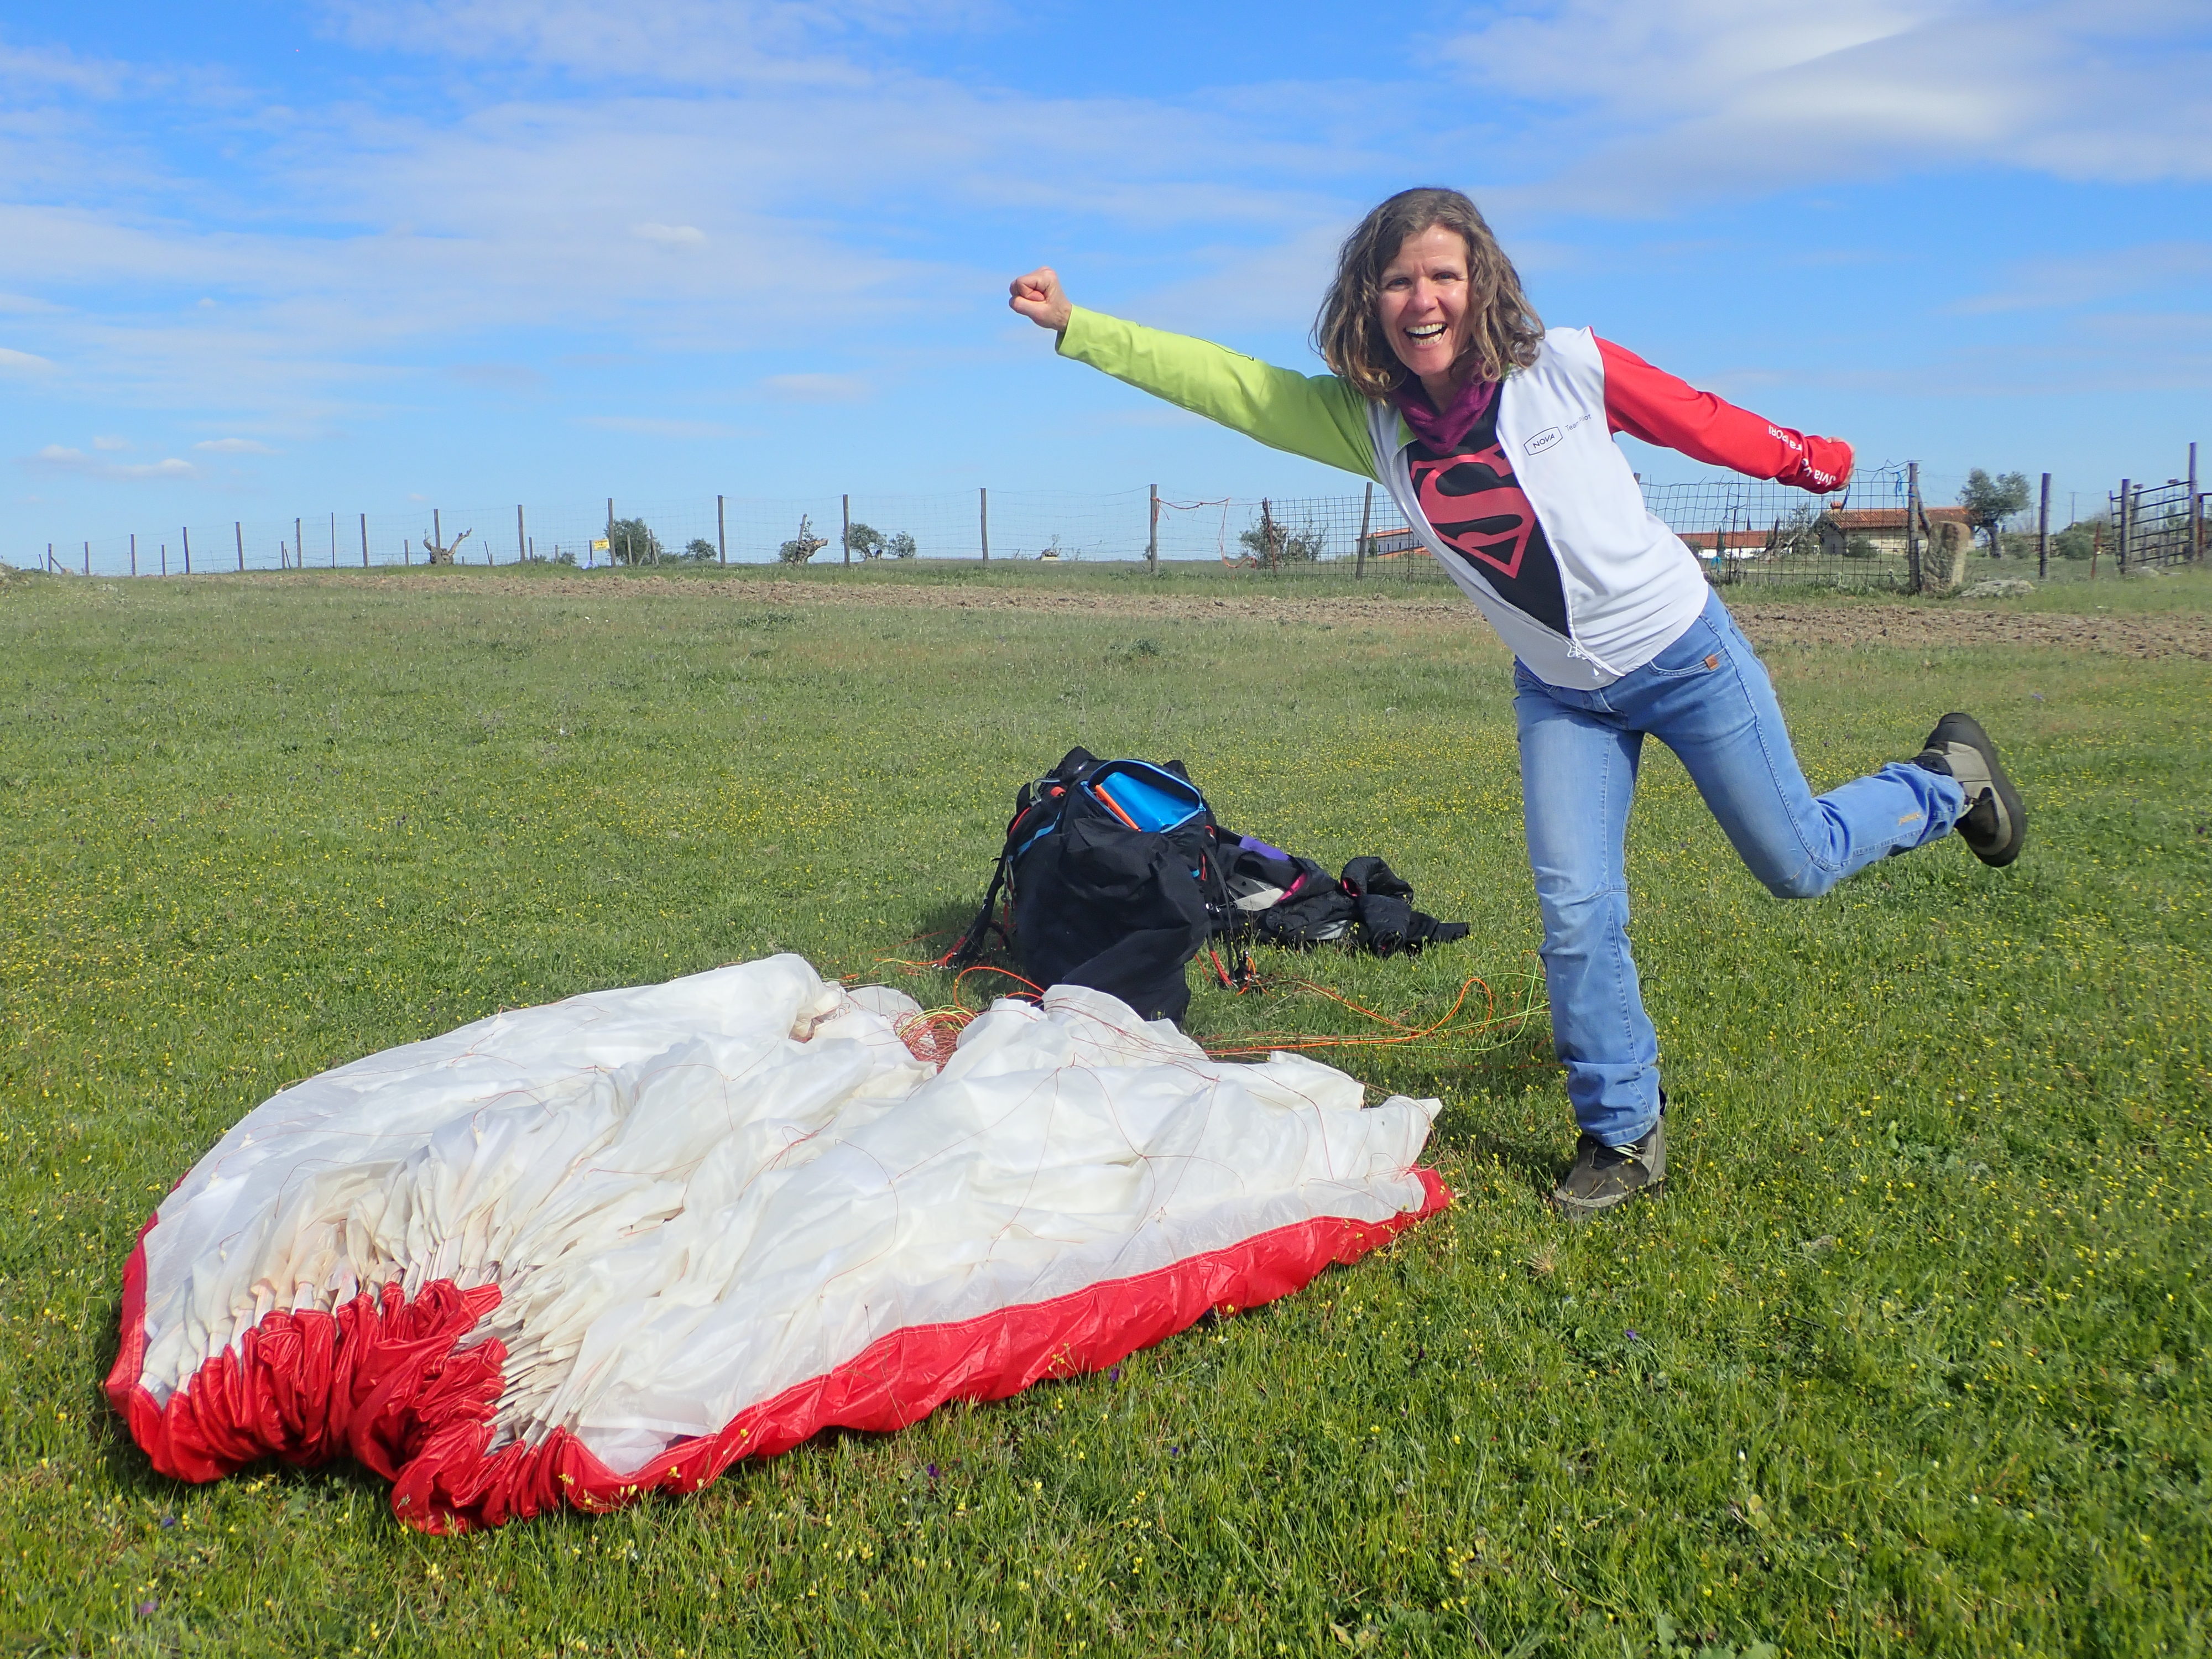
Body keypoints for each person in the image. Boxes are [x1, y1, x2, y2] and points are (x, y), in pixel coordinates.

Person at [1008, 186, 2026, 1221]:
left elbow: (1694, 418)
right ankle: (1623, 1130)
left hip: (1685, 658)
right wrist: (1080, 329)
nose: (1422, 299)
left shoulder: (1565, 366)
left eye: (1442, 275)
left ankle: (1946, 782)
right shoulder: (1365, 423)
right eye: (1398, 280)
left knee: (1799, 861)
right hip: (1564, 697)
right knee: (1578, 911)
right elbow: (1225, 383)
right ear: (1370, 300)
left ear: (1479, 282)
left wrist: (1809, 461)